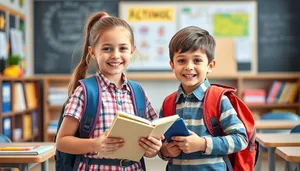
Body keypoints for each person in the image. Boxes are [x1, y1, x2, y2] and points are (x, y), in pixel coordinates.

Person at [56, 12, 162, 171]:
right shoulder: (85, 92)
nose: (115, 55)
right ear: (92, 52)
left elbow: (150, 142)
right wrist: (95, 144)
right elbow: (62, 142)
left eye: (123, 48)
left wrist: (153, 149)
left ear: (132, 51)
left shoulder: (138, 92)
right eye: (107, 48)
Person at [159, 26, 248, 170]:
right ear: (172, 65)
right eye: (181, 60)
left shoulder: (218, 100)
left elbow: (241, 139)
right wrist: (164, 151)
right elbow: (161, 142)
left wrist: (202, 144)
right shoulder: (169, 103)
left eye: (197, 60)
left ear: (210, 65)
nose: (189, 67)